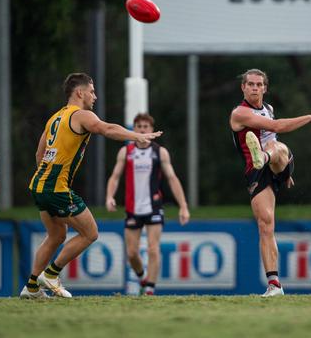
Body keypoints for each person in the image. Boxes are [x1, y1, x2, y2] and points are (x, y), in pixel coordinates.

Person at [20, 73, 162, 299]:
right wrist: (138, 136)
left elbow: (40, 153)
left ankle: (31, 287)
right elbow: (107, 129)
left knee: (56, 235)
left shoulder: (55, 118)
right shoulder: (81, 115)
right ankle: (51, 274)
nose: (95, 96)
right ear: (80, 93)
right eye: (92, 91)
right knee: (90, 233)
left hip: (38, 185)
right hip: (56, 188)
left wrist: (46, 178)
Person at [229, 68, 311, 297]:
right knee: (265, 224)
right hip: (256, 172)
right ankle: (274, 285)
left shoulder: (268, 109)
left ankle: (266, 157)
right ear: (243, 88)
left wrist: (284, 169)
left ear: (265, 88)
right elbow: (276, 127)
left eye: (259, 84)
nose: (255, 88)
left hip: (275, 158)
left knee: (273, 147)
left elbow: (274, 135)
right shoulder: (239, 113)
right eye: (251, 84)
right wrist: (309, 117)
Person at [105, 113, 190, 295]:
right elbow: (115, 176)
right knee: (132, 253)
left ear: (151, 130)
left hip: (154, 207)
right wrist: (109, 196)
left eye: (146, 127)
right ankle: (142, 276)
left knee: (153, 248)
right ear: (134, 130)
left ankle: (150, 288)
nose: (143, 130)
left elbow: (172, 178)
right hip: (132, 209)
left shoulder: (160, 152)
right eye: (139, 127)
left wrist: (183, 205)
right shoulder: (126, 152)